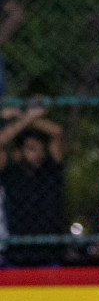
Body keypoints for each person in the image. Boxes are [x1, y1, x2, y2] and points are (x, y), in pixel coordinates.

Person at [0, 104, 66, 266]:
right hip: (17, 252)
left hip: (50, 252)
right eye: (31, 149)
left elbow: (56, 132)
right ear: (19, 153)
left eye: (40, 149)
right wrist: (27, 117)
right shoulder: (11, 173)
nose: (38, 154)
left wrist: (23, 115)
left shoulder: (50, 171)